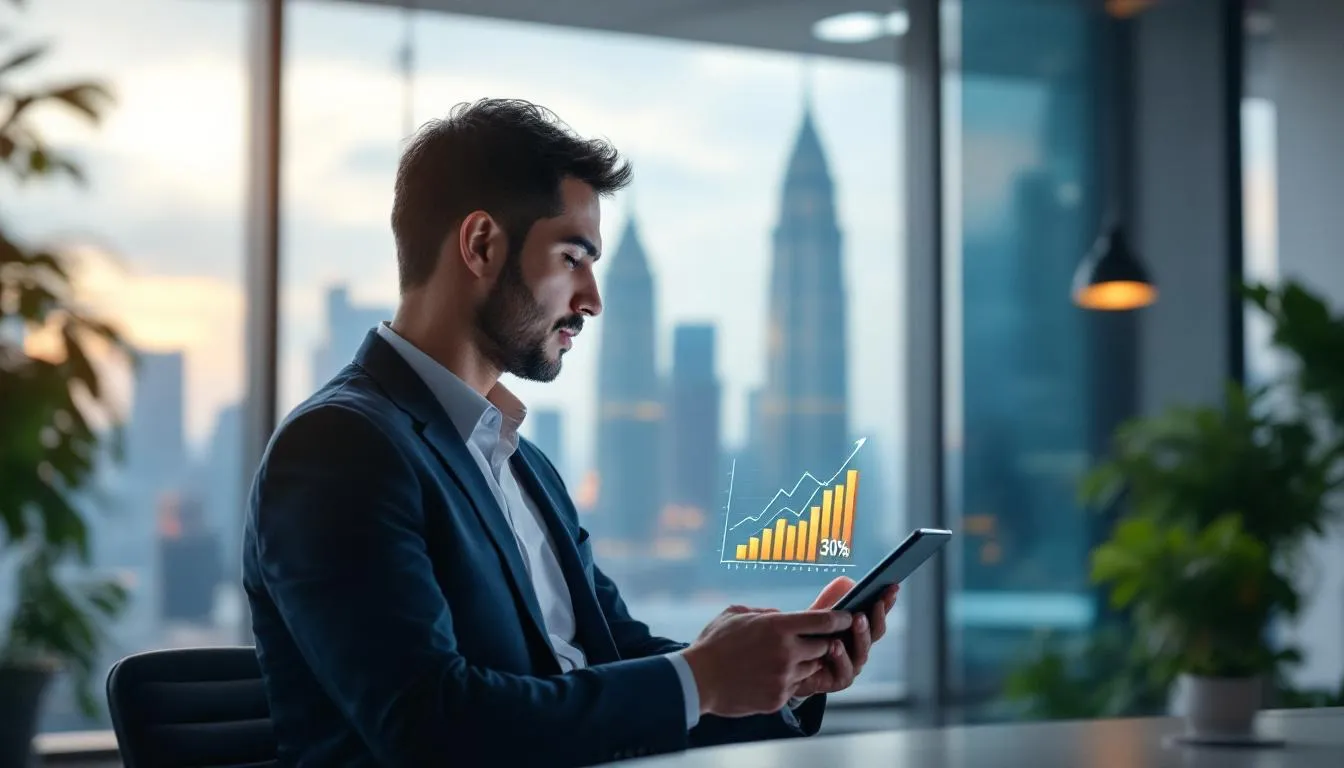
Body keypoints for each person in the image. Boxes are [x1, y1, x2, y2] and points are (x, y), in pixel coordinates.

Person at [242, 97, 898, 767]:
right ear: (481, 245)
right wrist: (703, 678)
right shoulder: (338, 451)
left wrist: (777, 677)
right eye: (571, 258)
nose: (591, 299)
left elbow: (612, 661)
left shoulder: (523, 465)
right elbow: (430, 725)